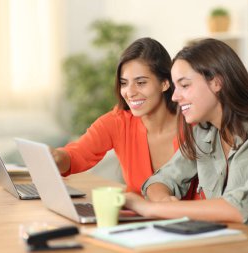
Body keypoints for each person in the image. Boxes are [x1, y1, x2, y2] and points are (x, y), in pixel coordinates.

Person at [124, 38, 248, 242]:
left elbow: (243, 207)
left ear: (217, 82)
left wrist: (152, 209)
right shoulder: (203, 133)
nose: (174, 97)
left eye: (184, 85)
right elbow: (161, 180)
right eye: (175, 87)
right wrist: (164, 202)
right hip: (233, 244)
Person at [50, 37, 198, 197]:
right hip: (141, 218)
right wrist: (58, 157)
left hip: (196, 219)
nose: (130, 92)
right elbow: (77, 154)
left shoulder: (194, 123)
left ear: (165, 83)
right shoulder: (118, 122)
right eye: (124, 83)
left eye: (141, 83)